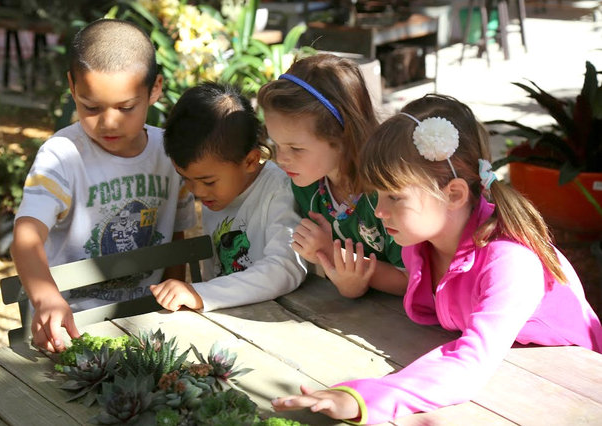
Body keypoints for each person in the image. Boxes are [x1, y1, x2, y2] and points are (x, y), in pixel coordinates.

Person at [271, 94, 602, 424]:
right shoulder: (423, 243)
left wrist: (363, 398)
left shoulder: (510, 262)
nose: (379, 211)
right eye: (378, 195)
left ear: (454, 194)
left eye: (394, 197)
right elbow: (420, 288)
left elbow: (470, 364)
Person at [10, 19, 196, 353]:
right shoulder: (61, 156)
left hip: (148, 326)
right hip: (73, 329)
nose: (108, 122)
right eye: (90, 107)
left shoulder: (170, 153)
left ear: (155, 88)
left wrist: (174, 293)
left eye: (126, 108)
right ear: (72, 86)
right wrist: (47, 298)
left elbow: (176, 239)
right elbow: (26, 237)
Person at [257, 54, 407, 298]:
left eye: (295, 148)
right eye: (276, 144)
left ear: (342, 138)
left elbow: (409, 280)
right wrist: (348, 282)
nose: (281, 158)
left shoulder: (387, 192)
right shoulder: (306, 186)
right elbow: (347, 284)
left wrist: (331, 252)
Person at [149, 82, 306, 312]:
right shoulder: (220, 195)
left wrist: (201, 293)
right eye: (186, 178)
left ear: (250, 161)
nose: (198, 192)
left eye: (208, 181)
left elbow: (285, 268)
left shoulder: (279, 190)